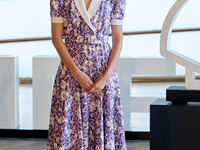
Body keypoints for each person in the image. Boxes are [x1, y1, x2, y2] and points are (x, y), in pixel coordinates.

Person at [46, 0, 127, 149]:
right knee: (68, 126)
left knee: (102, 125)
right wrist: (76, 73)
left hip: (103, 72)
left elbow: (118, 40)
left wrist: (105, 77)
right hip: (70, 74)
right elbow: (57, 39)